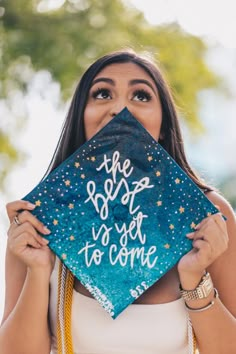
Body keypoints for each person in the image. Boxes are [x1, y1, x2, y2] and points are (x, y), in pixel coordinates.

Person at [0, 49, 236, 354]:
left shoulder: (207, 217)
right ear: (80, 116)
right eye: (102, 93)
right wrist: (38, 269)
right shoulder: (39, 221)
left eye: (140, 95)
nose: (120, 108)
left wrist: (194, 282)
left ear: (164, 124)